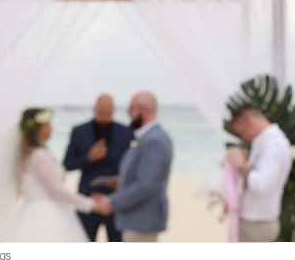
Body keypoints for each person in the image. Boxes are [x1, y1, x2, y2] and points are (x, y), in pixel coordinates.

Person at [10, 108, 107, 242]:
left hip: (34, 211)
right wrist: (89, 204)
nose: (51, 128)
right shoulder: (39, 155)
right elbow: (55, 190)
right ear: (38, 129)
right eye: (47, 124)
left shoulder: (30, 154)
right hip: (45, 215)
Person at [99, 92, 173, 242]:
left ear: (144, 110)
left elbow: (147, 184)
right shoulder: (147, 137)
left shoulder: (154, 140)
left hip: (142, 221)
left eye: (131, 108)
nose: (128, 113)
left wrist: (113, 202)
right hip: (136, 220)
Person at [63, 94, 134, 242]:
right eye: (101, 113)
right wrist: (88, 158)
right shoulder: (79, 131)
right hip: (87, 199)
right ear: (94, 109)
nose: (104, 117)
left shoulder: (126, 133)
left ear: (114, 110)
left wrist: (122, 181)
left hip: (115, 200)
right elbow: (67, 164)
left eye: (108, 113)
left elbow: (133, 166)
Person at [226, 104, 292, 242]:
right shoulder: (265, 142)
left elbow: (261, 184)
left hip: (257, 224)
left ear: (247, 122)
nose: (243, 137)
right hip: (255, 222)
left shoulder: (273, 144)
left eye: (241, 132)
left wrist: (241, 165)